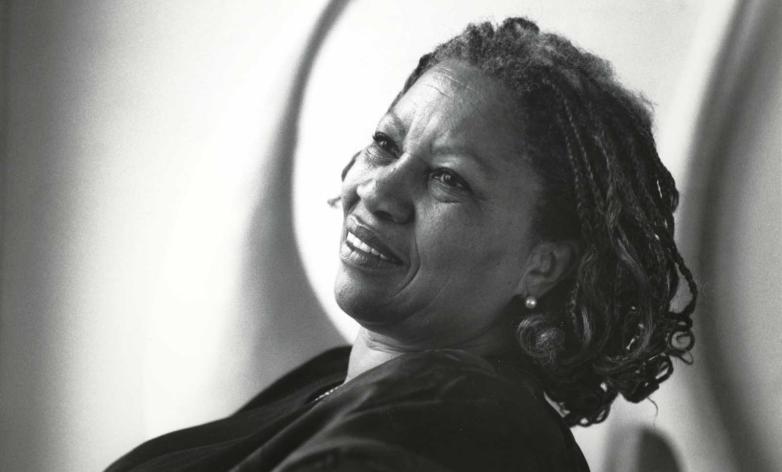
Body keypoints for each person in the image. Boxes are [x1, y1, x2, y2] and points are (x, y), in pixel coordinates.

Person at [107, 17, 697, 471]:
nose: (378, 190)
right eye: (385, 144)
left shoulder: (464, 417)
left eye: (449, 180)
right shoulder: (336, 378)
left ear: (542, 265)